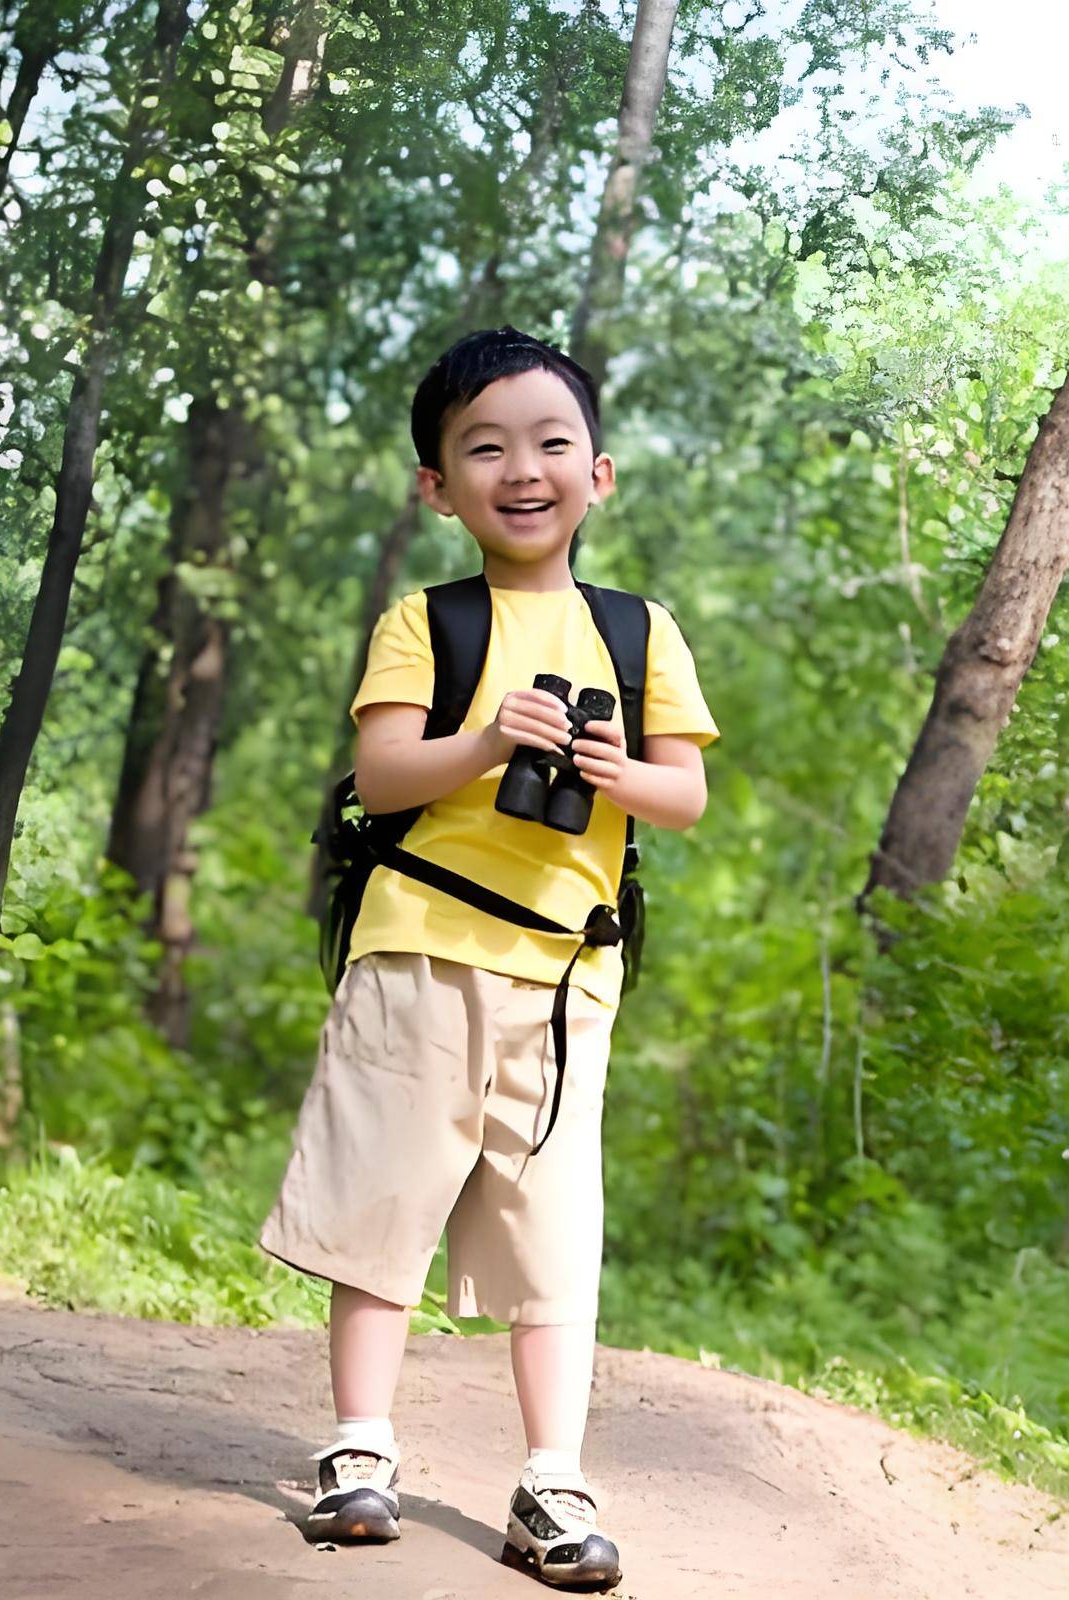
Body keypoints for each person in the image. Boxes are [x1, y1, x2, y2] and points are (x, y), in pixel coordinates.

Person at [259, 327, 716, 1591]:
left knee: (553, 1224)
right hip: (417, 944)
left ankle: (552, 1480)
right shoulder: (427, 620)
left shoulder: (639, 630)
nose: (524, 468)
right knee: (384, 1197)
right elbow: (380, 773)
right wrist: (483, 741)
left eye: (551, 443)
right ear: (437, 486)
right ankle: (359, 1453)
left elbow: (683, 794)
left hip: (568, 977)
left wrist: (618, 771)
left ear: (600, 474)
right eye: (485, 447)